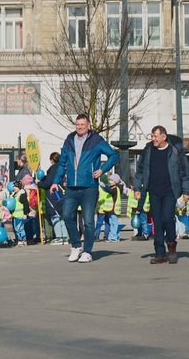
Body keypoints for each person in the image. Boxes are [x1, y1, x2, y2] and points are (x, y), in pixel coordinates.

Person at [49, 113, 119, 264]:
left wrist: (102, 169)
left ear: (88, 125)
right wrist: (56, 181)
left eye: (82, 124)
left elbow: (113, 156)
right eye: (77, 124)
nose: (79, 127)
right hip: (71, 188)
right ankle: (76, 246)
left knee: (88, 221)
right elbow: (62, 163)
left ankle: (87, 251)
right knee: (67, 216)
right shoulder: (69, 139)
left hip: (89, 187)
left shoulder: (96, 140)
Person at [133, 126, 189, 264]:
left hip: (170, 191)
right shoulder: (148, 150)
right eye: (152, 136)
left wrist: (186, 192)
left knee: (167, 219)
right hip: (153, 191)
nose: (153, 139)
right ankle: (159, 253)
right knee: (157, 223)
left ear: (163, 137)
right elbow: (140, 170)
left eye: (155, 136)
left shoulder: (175, 151)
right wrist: (137, 188)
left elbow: (185, 172)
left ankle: (171, 247)